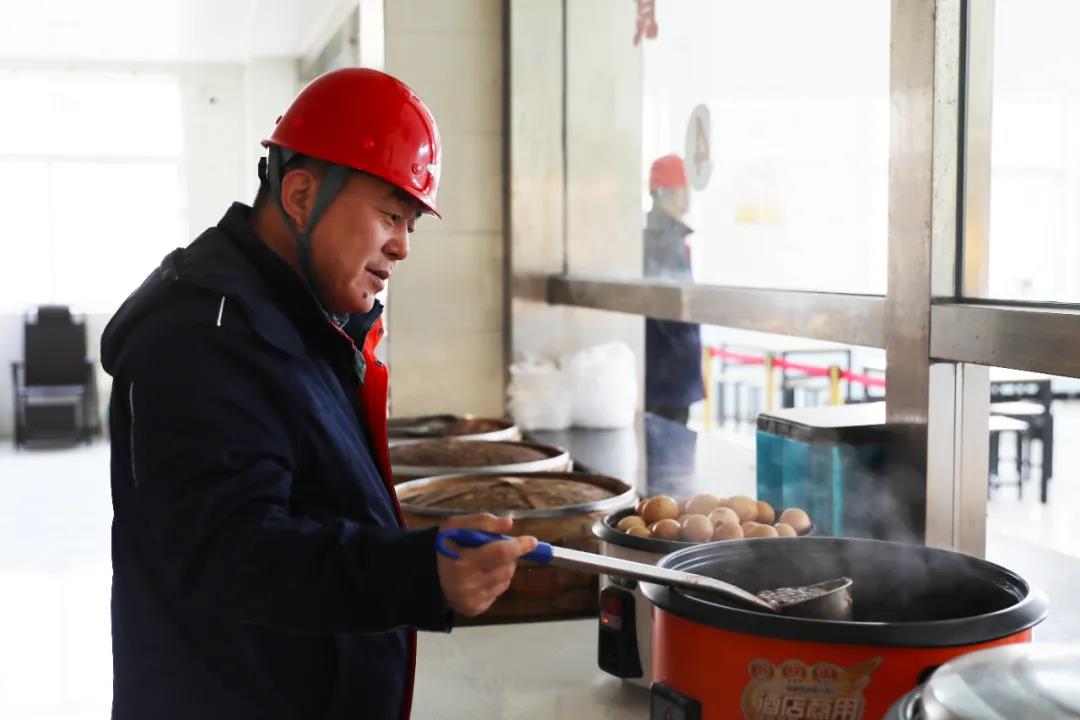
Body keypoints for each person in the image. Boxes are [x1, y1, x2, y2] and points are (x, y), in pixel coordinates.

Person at [100, 68, 536, 720]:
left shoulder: (297, 319)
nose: (403, 247)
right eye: (391, 214)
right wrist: (416, 575)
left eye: (412, 223)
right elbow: (232, 553)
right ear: (301, 195)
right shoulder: (204, 338)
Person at [643, 154, 704, 425]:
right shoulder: (666, 242)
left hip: (659, 376)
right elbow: (673, 311)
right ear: (677, 193)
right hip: (669, 378)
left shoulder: (653, 236)